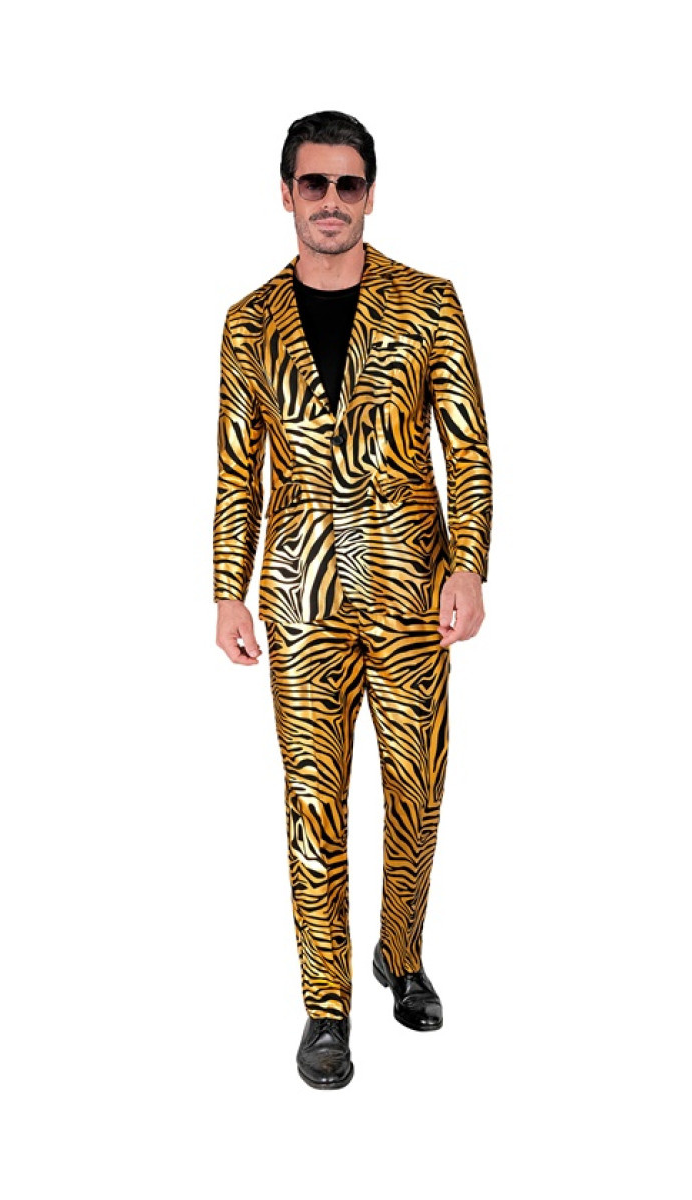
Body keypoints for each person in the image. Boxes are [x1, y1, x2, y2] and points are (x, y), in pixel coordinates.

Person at [212, 111, 493, 1090]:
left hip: (412, 589)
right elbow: (237, 471)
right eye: (313, 183)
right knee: (312, 799)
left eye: (347, 184)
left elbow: (467, 447)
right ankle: (325, 1007)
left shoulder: (429, 304)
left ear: (369, 194)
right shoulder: (249, 323)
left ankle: (400, 953)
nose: (330, 202)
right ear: (286, 193)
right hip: (300, 595)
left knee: (416, 786)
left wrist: (469, 566)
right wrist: (228, 592)